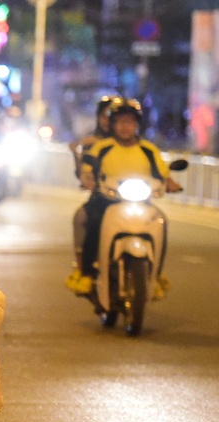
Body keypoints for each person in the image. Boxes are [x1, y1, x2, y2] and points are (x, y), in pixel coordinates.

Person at [66, 97, 181, 295]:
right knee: (94, 221)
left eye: (129, 122)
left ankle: (156, 274)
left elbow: (163, 173)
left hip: (141, 201)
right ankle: (86, 273)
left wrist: (170, 183)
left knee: (160, 222)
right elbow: (87, 170)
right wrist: (88, 179)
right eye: (120, 122)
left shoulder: (149, 150)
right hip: (106, 201)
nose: (125, 127)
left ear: (137, 125)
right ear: (112, 124)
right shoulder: (101, 148)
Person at [67, 96, 114, 274]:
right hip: (101, 198)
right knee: (82, 218)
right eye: (104, 116)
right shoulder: (92, 144)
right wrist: (76, 156)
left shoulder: (139, 146)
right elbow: (83, 174)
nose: (108, 120)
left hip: (130, 200)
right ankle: (84, 268)